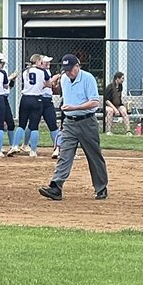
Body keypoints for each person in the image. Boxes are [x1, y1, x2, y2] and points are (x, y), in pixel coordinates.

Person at [38, 53, 108, 201]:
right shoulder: (64, 78)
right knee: (64, 154)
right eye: (66, 69)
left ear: (77, 66)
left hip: (87, 122)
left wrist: (75, 107)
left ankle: (101, 188)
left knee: (94, 156)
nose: (68, 72)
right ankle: (56, 187)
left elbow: (95, 102)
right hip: (69, 122)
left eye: (71, 69)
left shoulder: (88, 78)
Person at [103, 71, 131, 135]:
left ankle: (128, 131)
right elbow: (107, 100)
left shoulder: (120, 86)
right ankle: (109, 131)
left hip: (118, 105)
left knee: (124, 111)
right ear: (117, 79)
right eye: (122, 78)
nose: (123, 80)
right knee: (110, 111)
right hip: (109, 105)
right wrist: (115, 109)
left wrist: (120, 107)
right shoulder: (110, 87)